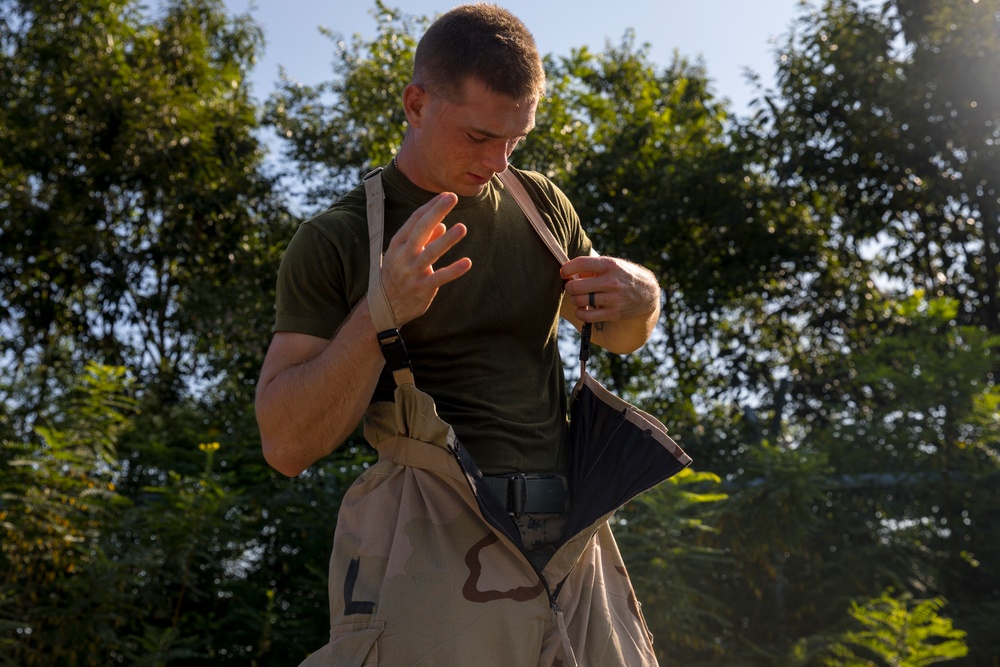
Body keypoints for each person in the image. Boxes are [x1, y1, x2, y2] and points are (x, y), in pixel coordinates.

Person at [255, 4, 668, 665]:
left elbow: (621, 332)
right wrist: (377, 313)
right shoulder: (336, 239)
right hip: (431, 543)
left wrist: (643, 292)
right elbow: (284, 442)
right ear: (416, 104)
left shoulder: (542, 206)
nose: (497, 160)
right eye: (478, 136)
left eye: (515, 139)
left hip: (574, 538)